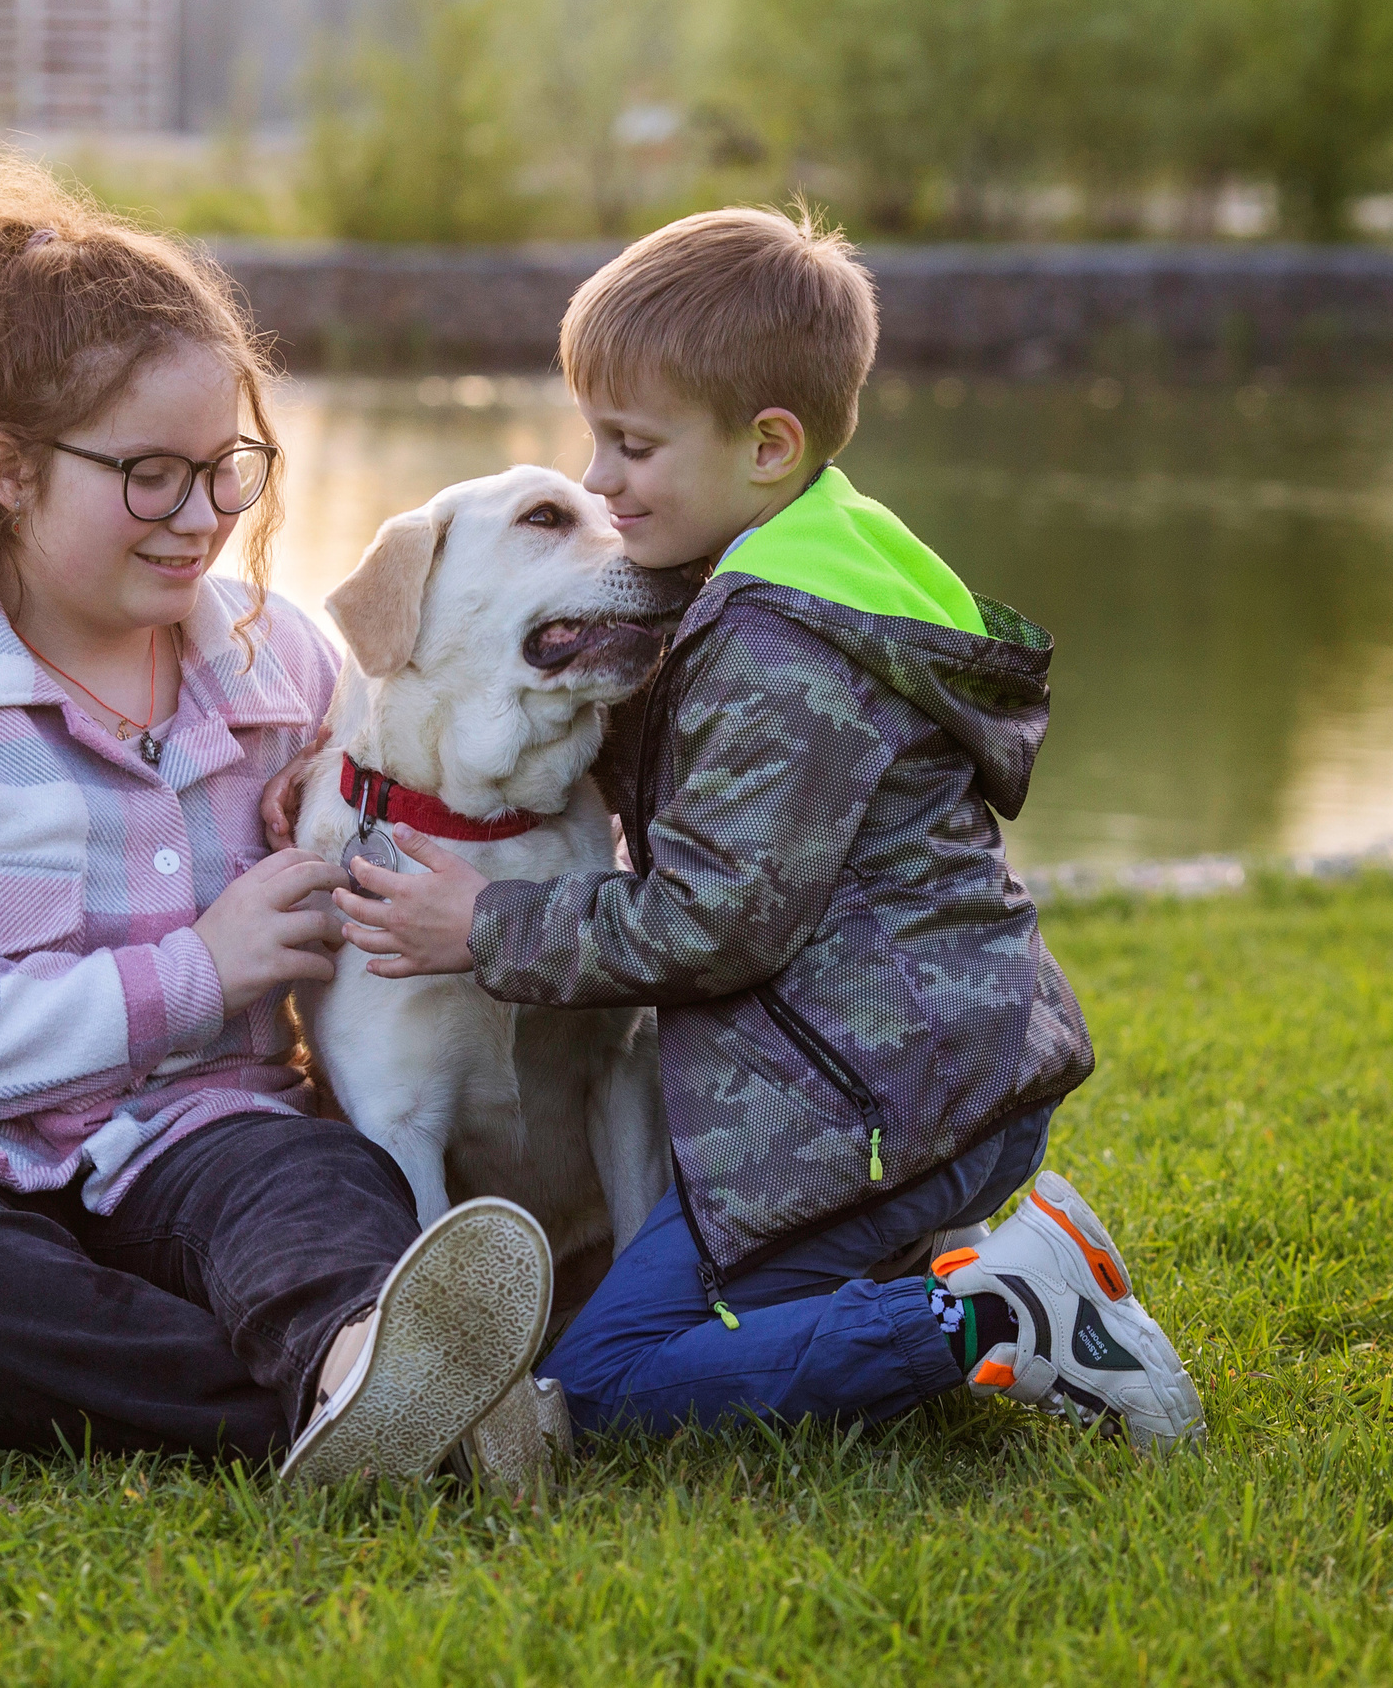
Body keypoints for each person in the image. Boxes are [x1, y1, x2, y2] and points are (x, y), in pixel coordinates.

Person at [0, 150, 555, 1486]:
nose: (204, 519)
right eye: (151, 476)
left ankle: (362, 1362)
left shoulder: (288, 666)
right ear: (9, 467)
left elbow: (426, 833)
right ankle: (375, 1410)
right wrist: (198, 971)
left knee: (324, 1193)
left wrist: (403, 835)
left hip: (205, 1140)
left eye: (229, 466)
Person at [324, 206, 1206, 1448]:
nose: (598, 481)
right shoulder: (802, 580)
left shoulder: (775, 650)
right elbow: (685, 767)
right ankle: (994, 1265)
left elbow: (711, 920)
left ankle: (996, 1322)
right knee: (648, 1340)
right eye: (596, 442)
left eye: (631, 447)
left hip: (863, 1106)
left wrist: (487, 924)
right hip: (916, 1075)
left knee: (611, 1384)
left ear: (764, 447)